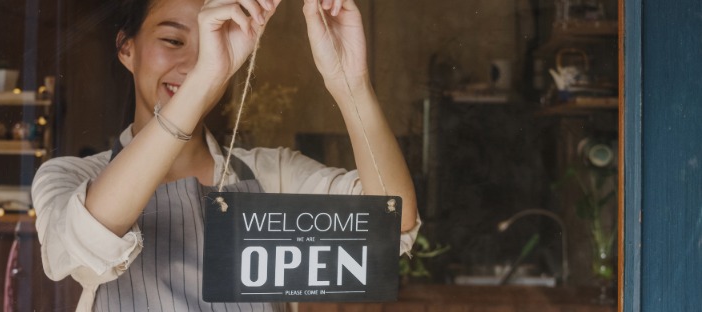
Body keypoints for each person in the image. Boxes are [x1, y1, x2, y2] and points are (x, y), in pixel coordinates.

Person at [31, 0, 421, 310]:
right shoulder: (69, 178)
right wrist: (202, 79)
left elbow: (388, 225)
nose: (194, 62)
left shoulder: (273, 174)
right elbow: (82, 245)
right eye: (173, 40)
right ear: (126, 48)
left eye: (210, 45)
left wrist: (350, 82)